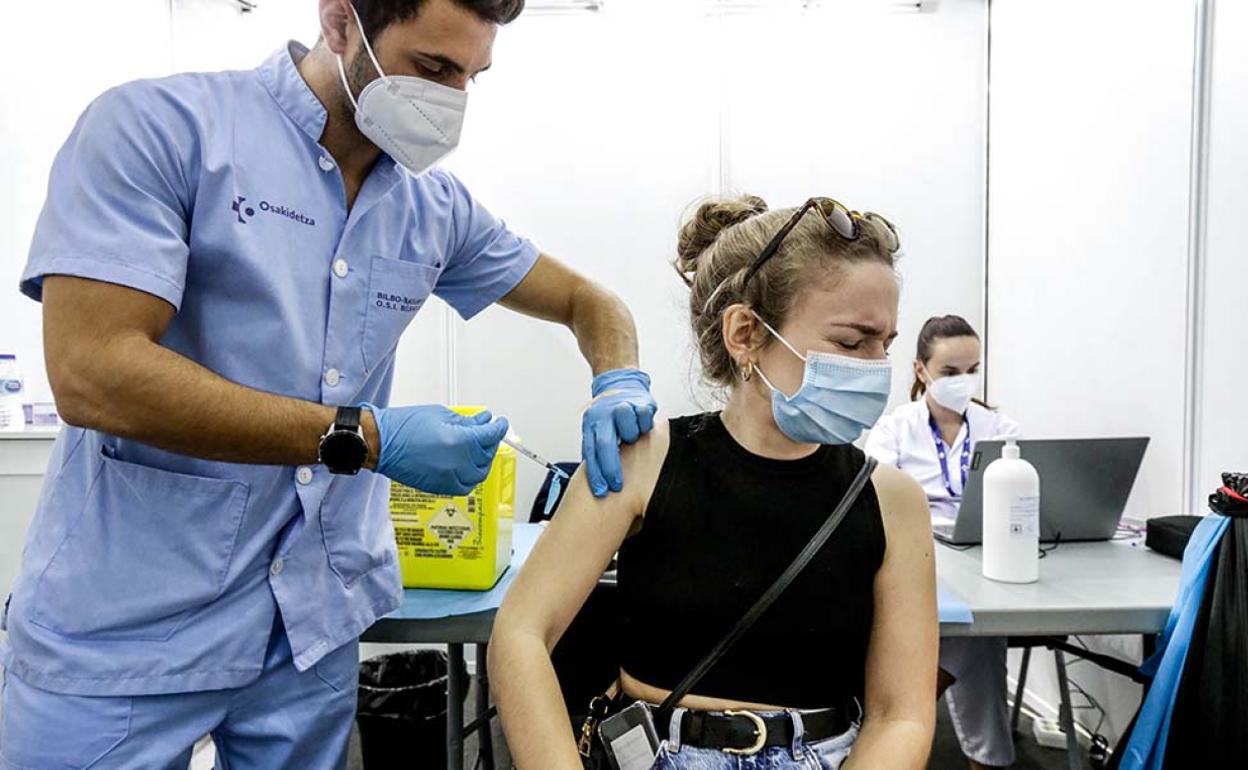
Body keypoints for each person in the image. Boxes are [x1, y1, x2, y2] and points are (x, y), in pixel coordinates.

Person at [0, 1, 657, 768]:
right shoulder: (164, 131)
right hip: (126, 630)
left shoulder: (429, 208)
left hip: (308, 633)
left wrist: (619, 379)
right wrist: (364, 438)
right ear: (341, 21)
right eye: (432, 68)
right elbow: (93, 373)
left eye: (472, 76)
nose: (452, 100)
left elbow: (590, 302)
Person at [489, 195, 938, 770]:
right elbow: (522, 633)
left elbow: (901, 715)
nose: (875, 367)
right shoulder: (645, 461)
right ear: (745, 333)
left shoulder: (892, 501)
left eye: (886, 345)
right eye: (851, 343)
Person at [865, 315, 1021, 770]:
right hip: (913, 553)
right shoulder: (895, 430)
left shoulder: (1000, 429)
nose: (964, 382)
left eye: (973, 370)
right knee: (980, 635)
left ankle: (896, 713)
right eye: (951, 372)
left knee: (979, 625)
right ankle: (986, 760)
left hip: (983, 554)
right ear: (921, 369)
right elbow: (874, 501)